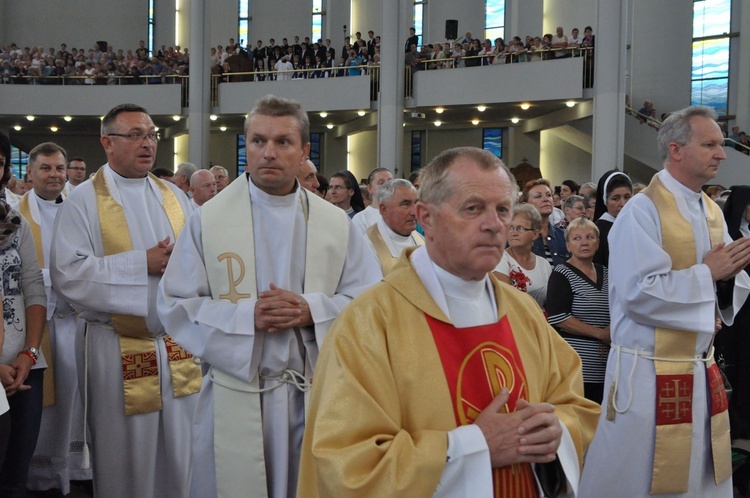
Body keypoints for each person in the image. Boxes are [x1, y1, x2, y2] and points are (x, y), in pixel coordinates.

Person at [298, 146, 600, 497]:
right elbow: (346, 462)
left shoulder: (525, 313)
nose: (493, 224)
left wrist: (555, 431)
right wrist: (473, 447)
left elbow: (573, 407)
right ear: (426, 218)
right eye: (473, 208)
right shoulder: (368, 322)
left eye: (503, 209)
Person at [157, 94, 381, 498]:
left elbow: (369, 301)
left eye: (283, 142)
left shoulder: (337, 224)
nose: (268, 153)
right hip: (235, 391)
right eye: (258, 141)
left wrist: (311, 309)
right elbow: (175, 305)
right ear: (246, 146)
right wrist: (247, 317)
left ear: (305, 150)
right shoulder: (208, 220)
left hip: (313, 393)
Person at [579, 105, 750, 496]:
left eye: (721, 145)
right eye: (710, 145)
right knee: (640, 478)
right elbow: (639, 293)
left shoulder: (711, 210)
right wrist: (710, 274)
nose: (721, 154)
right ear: (676, 149)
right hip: (648, 377)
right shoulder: (642, 211)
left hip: (699, 370)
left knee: (699, 476)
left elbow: (723, 281)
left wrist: (725, 282)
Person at [49, 103, 201, 498]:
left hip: (176, 346)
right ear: (107, 143)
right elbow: (68, 273)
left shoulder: (174, 196)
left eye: (151, 135)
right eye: (135, 135)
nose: (147, 144)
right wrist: (141, 264)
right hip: (117, 347)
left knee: (182, 450)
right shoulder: (84, 200)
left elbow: (202, 257)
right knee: (125, 456)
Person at [16, 143, 92, 495]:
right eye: (46, 168)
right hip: (39, 324)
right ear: (30, 173)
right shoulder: (16, 215)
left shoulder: (82, 208)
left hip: (75, 319)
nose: (55, 175)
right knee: (46, 405)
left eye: (60, 168)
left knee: (77, 398)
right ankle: (41, 473)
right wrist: (57, 276)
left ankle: (75, 467)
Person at [0, 132, 48, 497]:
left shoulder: (16, 223)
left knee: (17, 473)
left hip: (25, 360)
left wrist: (29, 352)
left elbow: (33, 286)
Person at [546, 218, 610, 403]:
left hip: (607, 362)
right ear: (568, 245)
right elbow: (559, 317)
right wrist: (600, 334)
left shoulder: (606, 272)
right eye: (577, 238)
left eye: (590, 237)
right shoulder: (561, 273)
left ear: (597, 243)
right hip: (577, 361)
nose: (584, 242)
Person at [493, 204, 552, 309]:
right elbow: (506, 300)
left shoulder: (544, 264)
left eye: (520, 228)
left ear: (535, 234)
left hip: (542, 322)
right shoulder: (499, 259)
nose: (514, 233)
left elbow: (551, 303)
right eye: (510, 228)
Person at [365, 179, 423, 276]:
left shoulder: (421, 240)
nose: (414, 212)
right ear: (384, 210)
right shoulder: (368, 247)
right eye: (405, 204)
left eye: (416, 203)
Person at [523, 179, 570, 266]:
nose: (546, 199)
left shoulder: (564, 236)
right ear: (526, 205)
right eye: (538, 196)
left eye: (549, 195)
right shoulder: (520, 237)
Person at [592, 170, 632, 267]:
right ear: (605, 200)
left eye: (627, 197)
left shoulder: (639, 225)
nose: (623, 204)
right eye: (615, 198)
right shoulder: (597, 231)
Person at [351, 167, 394, 236]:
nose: (387, 186)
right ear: (370, 188)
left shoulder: (401, 213)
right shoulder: (361, 218)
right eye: (381, 183)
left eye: (390, 182)